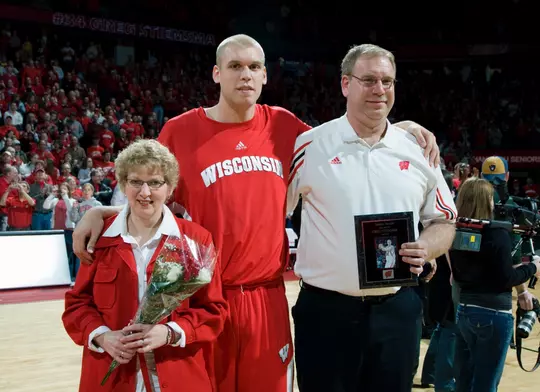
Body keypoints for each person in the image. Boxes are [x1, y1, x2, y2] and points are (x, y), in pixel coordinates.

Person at [72, 34, 441, 392]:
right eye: (234, 66)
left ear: (265, 75)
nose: (245, 74)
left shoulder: (286, 128)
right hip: (202, 300)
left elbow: (349, 143)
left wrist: (399, 129)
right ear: (217, 73)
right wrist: (103, 212)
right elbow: (149, 194)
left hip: (266, 298)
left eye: (254, 66)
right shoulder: (180, 130)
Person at [287, 43, 457, 392]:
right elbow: (275, 212)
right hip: (325, 313)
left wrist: (426, 247)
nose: (380, 90)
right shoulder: (309, 145)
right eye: (369, 80)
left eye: (387, 81)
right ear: (345, 84)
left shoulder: (418, 149)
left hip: (397, 311)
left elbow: (445, 221)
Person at [62, 139, 227, 392]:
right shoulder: (100, 237)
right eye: (136, 182)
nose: (145, 192)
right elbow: (76, 305)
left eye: (155, 183)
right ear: (124, 185)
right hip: (113, 378)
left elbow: (214, 309)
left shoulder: (195, 240)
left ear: (170, 188)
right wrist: (103, 336)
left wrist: (171, 332)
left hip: (177, 373)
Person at [449, 177, 540, 391]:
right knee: (486, 383)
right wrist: (533, 267)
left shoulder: (456, 230)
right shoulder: (497, 234)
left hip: (465, 311)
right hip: (493, 314)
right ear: (485, 201)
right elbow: (505, 278)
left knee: (464, 381)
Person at [481, 156, 538, 312]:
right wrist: (522, 291)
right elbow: (514, 258)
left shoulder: (463, 199)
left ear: (481, 176)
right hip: (496, 290)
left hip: (463, 285)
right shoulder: (509, 207)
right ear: (507, 176)